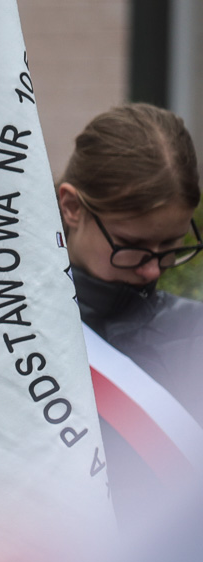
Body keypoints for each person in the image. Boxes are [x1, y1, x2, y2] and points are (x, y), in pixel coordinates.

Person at [56, 102, 203, 517]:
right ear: (72, 207)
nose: (153, 269)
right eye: (131, 246)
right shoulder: (4, 330)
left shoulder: (195, 335)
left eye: (172, 245)